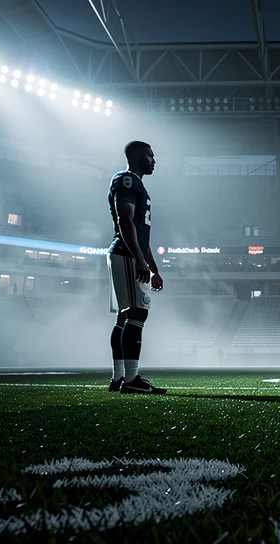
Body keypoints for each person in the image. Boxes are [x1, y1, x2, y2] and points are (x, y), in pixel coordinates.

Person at [106, 141, 166, 394]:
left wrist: (154, 268)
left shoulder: (136, 183)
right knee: (137, 314)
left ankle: (118, 377)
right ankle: (131, 380)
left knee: (124, 316)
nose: (154, 160)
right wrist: (139, 259)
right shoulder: (127, 180)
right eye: (150, 155)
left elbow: (141, 235)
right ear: (137, 156)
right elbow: (125, 221)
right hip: (126, 254)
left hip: (127, 253)